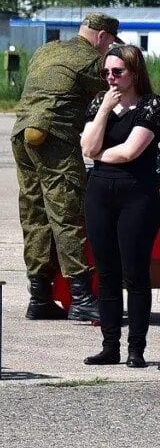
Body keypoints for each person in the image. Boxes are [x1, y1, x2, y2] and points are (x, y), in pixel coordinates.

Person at [13, 12, 116, 322]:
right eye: (109, 43)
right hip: (54, 137)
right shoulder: (92, 61)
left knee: (35, 214)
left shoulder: (46, 50)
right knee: (67, 213)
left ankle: (40, 297)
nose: (108, 49)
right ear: (101, 36)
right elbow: (115, 97)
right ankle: (82, 297)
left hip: (22, 134)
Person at [79, 45, 160, 368]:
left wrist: (97, 154)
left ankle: (135, 349)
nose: (110, 78)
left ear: (134, 72)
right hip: (99, 191)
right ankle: (109, 345)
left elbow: (129, 152)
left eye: (117, 72)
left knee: (135, 273)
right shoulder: (100, 102)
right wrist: (102, 113)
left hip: (136, 194)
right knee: (107, 272)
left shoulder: (151, 106)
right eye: (106, 73)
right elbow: (87, 145)